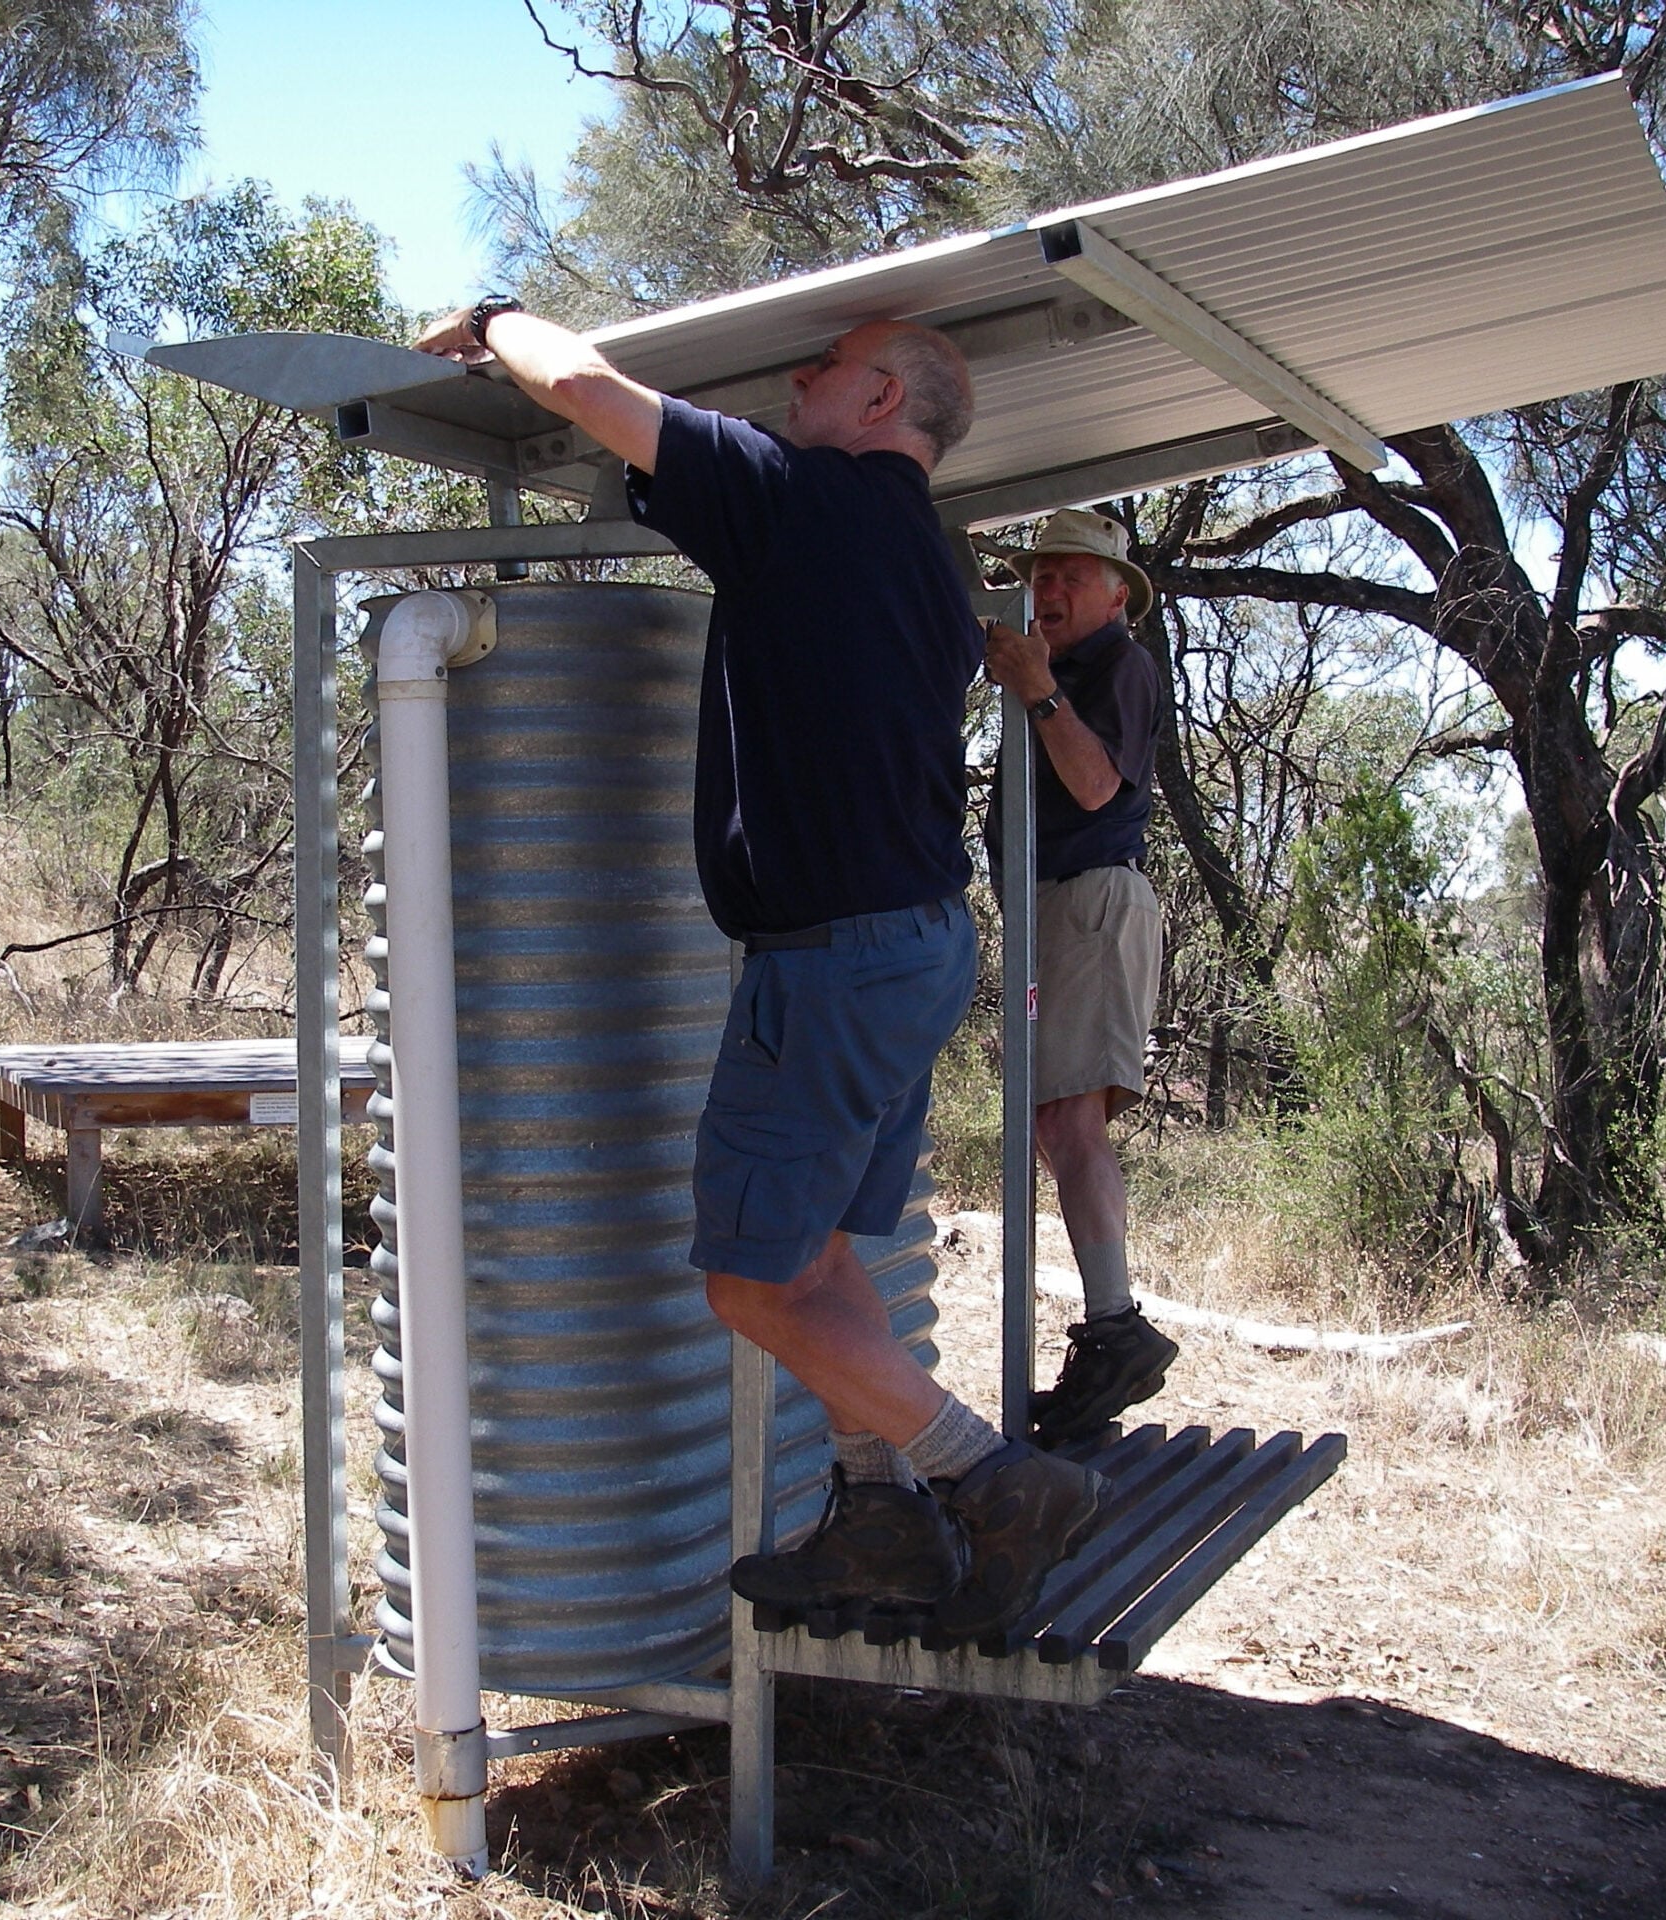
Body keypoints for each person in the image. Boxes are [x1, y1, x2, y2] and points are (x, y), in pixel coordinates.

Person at [415, 297, 1107, 1638]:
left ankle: (992, 1480)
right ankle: (880, 1512)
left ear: (883, 405)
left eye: (827, 365)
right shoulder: (918, 550)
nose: (799, 375)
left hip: (834, 961)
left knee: (747, 1283)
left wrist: (496, 314)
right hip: (906, 946)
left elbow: (580, 383)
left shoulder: (804, 500)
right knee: (825, 1257)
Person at [980, 510, 1181, 1445]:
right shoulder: (1062, 668)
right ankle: (1109, 1330)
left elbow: (1098, 788)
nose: (1050, 592)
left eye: (1071, 577)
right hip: (1052, 907)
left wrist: (1037, 690)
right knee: (1050, 1123)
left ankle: (1114, 1328)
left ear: (1114, 596)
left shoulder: (1118, 669)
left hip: (1092, 900)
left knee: (1067, 1118)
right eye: (1041, 576)